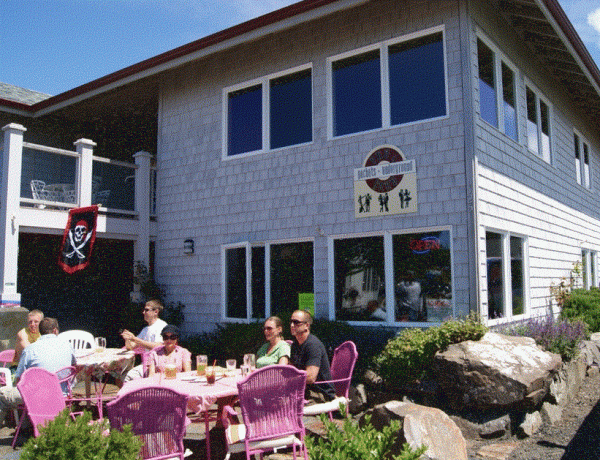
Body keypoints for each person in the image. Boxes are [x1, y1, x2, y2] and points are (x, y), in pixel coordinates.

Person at [0, 317, 75, 427]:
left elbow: (19, 379)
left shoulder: (30, 350)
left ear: (40, 331)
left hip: (37, 396)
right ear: (55, 330)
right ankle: (27, 427)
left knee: (2, 393)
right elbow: (74, 367)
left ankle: (23, 426)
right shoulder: (68, 346)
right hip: (62, 394)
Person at [289, 310, 335, 402]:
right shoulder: (295, 344)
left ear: (307, 325)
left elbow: (310, 377)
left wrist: (289, 379)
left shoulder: (313, 345)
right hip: (303, 390)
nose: (292, 325)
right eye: (291, 322)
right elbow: (291, 368)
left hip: (320, 393)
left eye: (296, 322)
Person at [120, 299, 168, 381]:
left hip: (158, 363)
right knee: (121, 374)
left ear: (156, 312)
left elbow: (158, 346)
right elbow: (131, 347)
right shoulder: (145, 329)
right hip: (146, 363)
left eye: (146, 310)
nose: (143, 312)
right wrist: (127, 339)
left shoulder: (162, 326)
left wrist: (134, 338)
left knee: (128, 377)